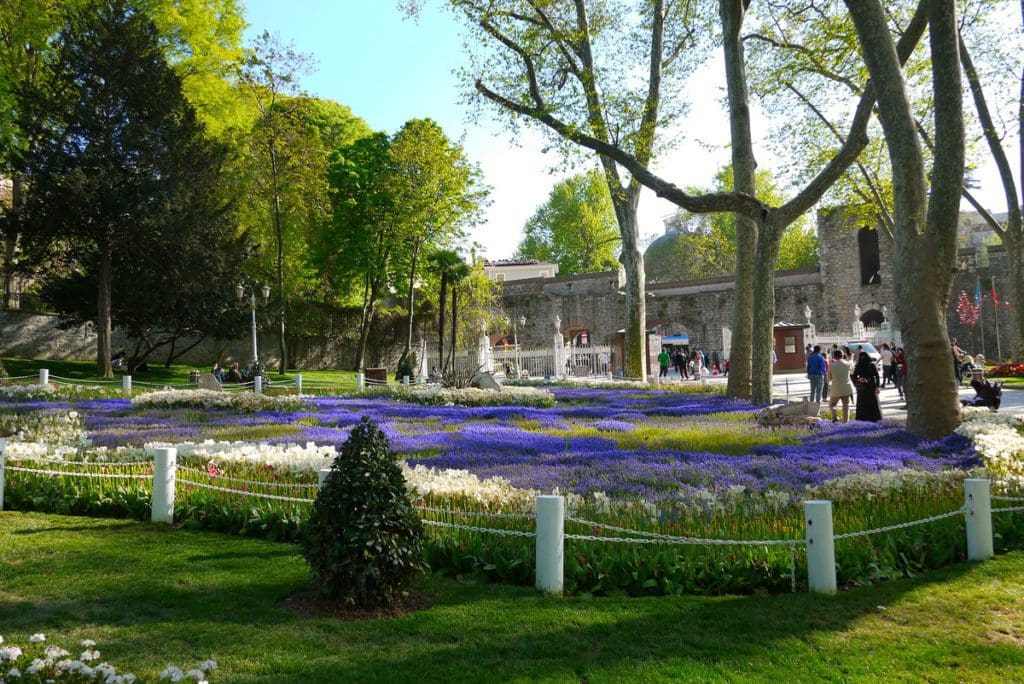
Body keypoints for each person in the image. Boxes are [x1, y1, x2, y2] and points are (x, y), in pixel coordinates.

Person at [851, 351, 882, 422]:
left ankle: (863, 419)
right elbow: (877, 377)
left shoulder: (863, 365)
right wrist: (877, 386)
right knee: (868, 402)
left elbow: (854, 377)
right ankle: (873, 418)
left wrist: (859, 379)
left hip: (866, 386)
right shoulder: (870, 365)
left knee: (865, 402)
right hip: (867, 385)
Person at [827, 349, 855, 423]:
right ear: (842, 355)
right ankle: (845, 423)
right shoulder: (848, 364)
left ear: (834, 357)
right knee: (846, 406)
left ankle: (835, 417)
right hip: (847, 388)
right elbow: (852, 372)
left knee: (832, 405)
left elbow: (828, 379)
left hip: (836, 389)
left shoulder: (831, 366)